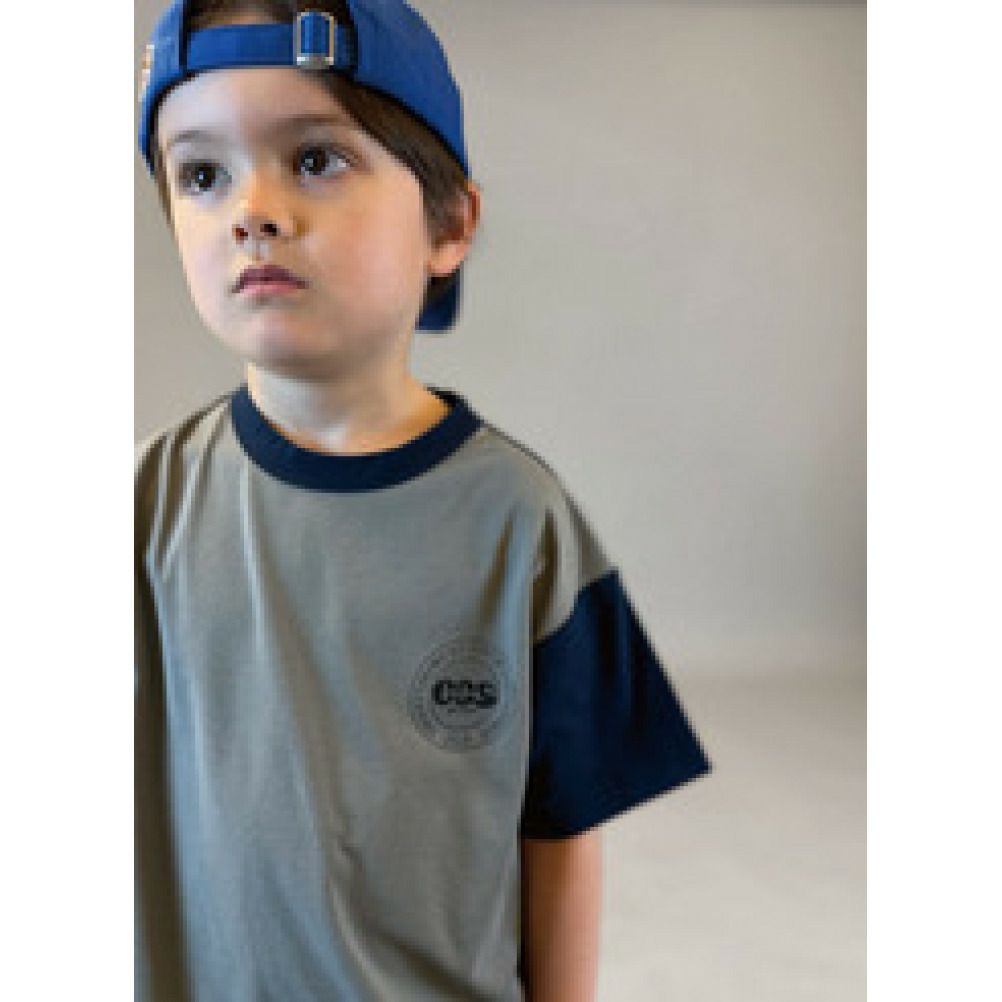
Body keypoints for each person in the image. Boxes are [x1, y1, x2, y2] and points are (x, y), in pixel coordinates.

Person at [134, 2, 713, 999]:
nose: (252, 209)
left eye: (315, 159)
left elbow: (561, 827)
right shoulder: (142, 508)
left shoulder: (519, 523)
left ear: (449, 224)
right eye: (202, 174)